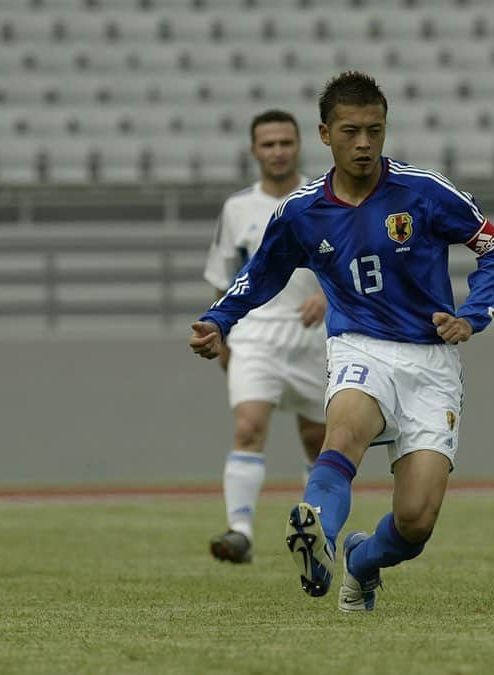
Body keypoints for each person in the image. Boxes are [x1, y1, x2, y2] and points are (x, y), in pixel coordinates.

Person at [190, 71, 494, 611]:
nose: (363, 143)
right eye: (350, 131)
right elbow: (260, 273)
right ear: (324, 134)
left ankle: (362, 563)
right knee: (341, 438)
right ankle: (319, 540)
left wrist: (473, 315)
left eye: (374, 130)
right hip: (359, 346)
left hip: (431, 362)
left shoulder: (425, 192)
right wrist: (219, 320)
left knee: (415, 523)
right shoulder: (301, 210)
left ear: (385, 129)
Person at [202, 109, 327, 564]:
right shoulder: (237, 210)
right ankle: (240, 531)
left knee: (318, 440)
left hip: (316, 337)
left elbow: (350, 266)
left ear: (300, 145)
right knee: (248, 426)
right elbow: (223, 276)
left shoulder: (324, 198)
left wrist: (330, 300)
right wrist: (221, 330)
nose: (277, 151)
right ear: (254, 150)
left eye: (285, 143)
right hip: (255, 334)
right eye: (268, 144)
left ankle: (319, 528)